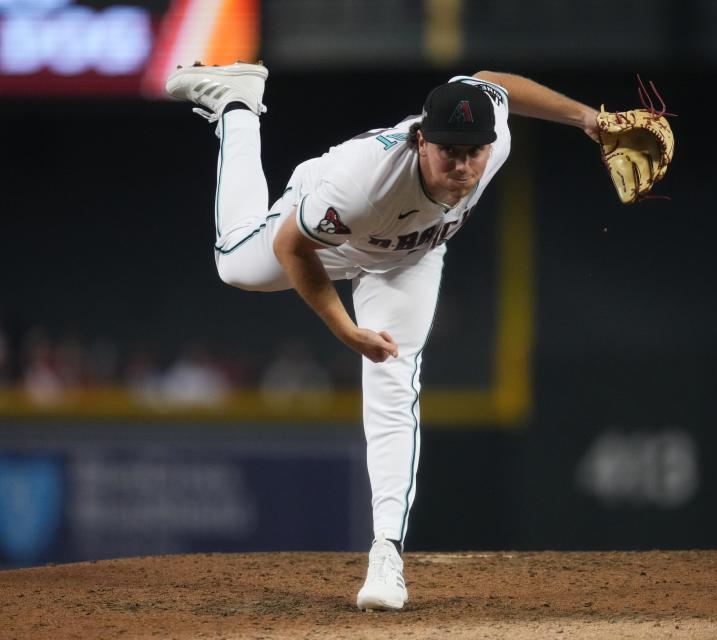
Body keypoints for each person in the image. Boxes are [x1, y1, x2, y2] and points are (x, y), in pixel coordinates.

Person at [165, 61, 600, 611]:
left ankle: (386, 555)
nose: (464, 165)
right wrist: (347, 331)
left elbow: (494, 81)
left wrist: (591, 119)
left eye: (474, 151)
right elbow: (291, 248)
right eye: (450, 151)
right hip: (331, 235)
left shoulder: (495, 140)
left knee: (394, 385)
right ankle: (237, 104)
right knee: (234, 264)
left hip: (408, 259)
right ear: (422, 140)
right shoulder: (360, 183)